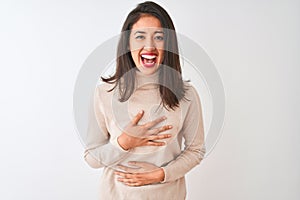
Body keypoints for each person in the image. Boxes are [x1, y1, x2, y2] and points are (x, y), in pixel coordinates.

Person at [84, 1, 206, 199]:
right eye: (140, 36)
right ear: (127, 43)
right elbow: (91, 158)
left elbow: (195, 150)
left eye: (159, 37)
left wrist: (160, 175)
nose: (149, 46)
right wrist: (125, 142)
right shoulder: (104, 94)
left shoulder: (187, 95)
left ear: (168, 45)